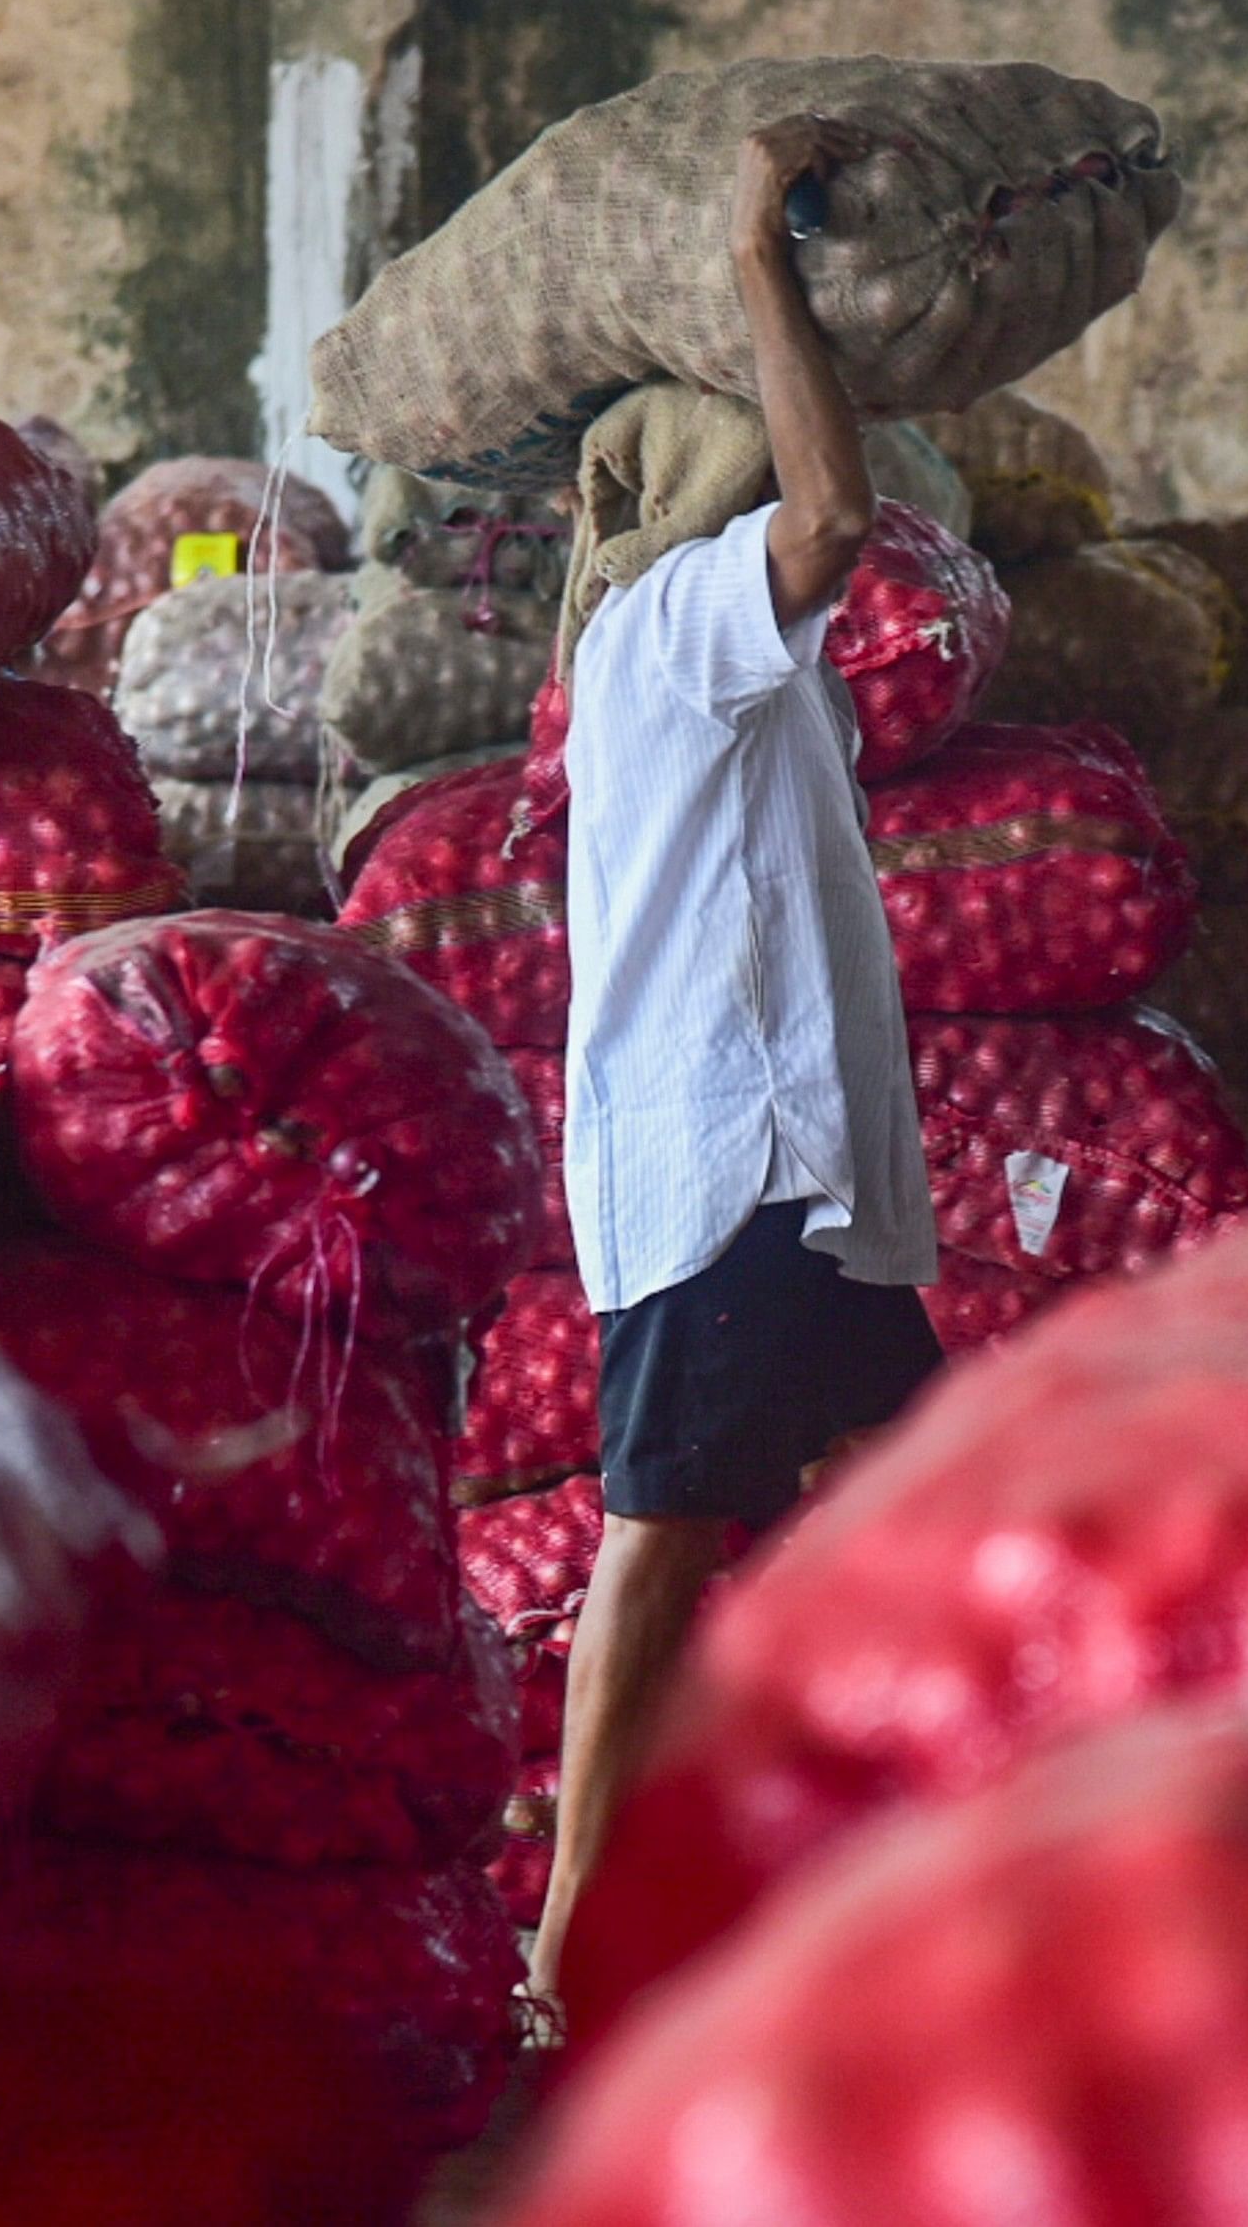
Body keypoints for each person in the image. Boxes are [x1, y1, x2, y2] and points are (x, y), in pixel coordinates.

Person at [525, 114, 945, 1998]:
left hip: (805, 1169)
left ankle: (859, 1874)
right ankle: (570, 1944)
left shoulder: (720, 655)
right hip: (738, 1164)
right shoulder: (683, 617)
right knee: (656, 1533)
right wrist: (763, 265)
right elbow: (837, 514)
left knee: (903, 1499)